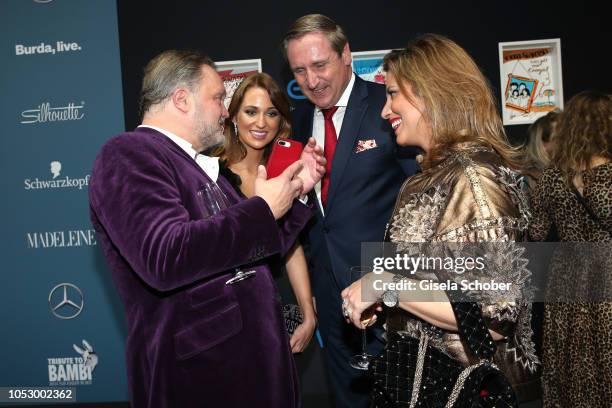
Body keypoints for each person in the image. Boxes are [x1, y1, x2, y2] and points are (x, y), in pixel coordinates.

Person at [88, 50, 326, 408]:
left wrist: (297, 191)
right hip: (204, 377)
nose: (224, 111)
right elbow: (165, 255)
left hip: (247, 367)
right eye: (217, 98)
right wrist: (262, 209)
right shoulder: (129, 154)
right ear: (182, 99)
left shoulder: (197, 165)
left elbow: (256, 248)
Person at [342, 34, 541, 406]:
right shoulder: (435, 176)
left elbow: (495, 314)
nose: (385, 111)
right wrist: (388, 302)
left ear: (432, 94)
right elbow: (439, 276)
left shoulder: (475, 179)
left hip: (468, 390)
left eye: (394, 94)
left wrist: (388, 286)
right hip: (427, 382)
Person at [282, 13, 417, 407]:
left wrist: (392, 272)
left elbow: (420, 199)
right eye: (300, 70)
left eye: (320, 65)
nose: (311, 80)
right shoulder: (300, 120)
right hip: (330, 294)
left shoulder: (387, 108)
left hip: (390, 293)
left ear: (346, 55)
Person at [212, 72, 317, 353]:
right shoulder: (212, 174)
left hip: (276, 305)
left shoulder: (282, 175)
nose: (261, 123)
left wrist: (308, 313)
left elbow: (290, 245)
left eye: (271, 113)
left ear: (281, 121)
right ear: (233, 116)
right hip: (229, 311)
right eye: (250, 112)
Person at [529, 91, 611, 407]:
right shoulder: (607, 175)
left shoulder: (552, 176)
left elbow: (535, 231)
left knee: (569, 363)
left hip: (566, 275)